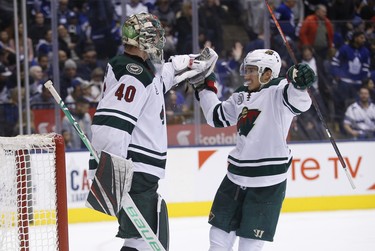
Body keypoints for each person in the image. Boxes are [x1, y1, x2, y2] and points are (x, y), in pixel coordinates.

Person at [89, 13, 217, 251]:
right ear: (144, 39)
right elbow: (111, 125)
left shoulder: (142, 72)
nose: (160, 42)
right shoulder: (133, 74)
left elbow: (161, 79)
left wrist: (189, 61)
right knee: (147, 241)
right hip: (134, 170)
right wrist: (110, 173)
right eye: (156, 36)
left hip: (141, 172)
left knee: (142, 239)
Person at [192, 49, 316, 250]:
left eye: (251, 70)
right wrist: (204, 87)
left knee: (250, 246)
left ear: (267, 73)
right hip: (235, 177)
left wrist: (300, 85)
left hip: (267, 182)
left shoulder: (280, 90)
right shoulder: (241, 94)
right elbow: (216, 116)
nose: (246, 75)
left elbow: (299, 103)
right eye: (246, 69)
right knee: (217, 239)